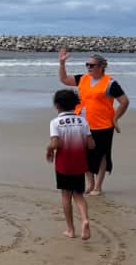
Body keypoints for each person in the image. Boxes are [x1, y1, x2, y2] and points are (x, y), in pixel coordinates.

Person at [58, 48, 129, 196]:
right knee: (84, 154)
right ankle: (90, 184)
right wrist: (62, 63)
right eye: (87, 65)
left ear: (101, 67)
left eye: (92, 65)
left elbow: (124, 102)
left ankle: (98, 186)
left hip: (103, 125)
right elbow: (64, 79)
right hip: (82, 123)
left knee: (101, 155)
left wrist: (115, 118)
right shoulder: (83, 78)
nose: (89, 67)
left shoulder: (110, 83)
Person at [46, 89, 95, 240]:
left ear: (56, 105)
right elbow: (91, 145)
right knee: (78, 194)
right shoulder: (82, 121)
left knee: (66, 196)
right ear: (75, 104)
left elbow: (55, 143)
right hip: (79, 164)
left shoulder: (55, 122)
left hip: (64, 165)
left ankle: (71, 230)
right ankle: (85, 219)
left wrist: (49, 149)